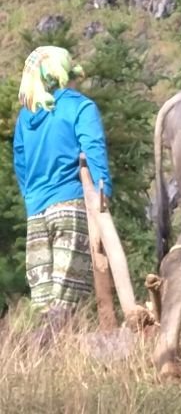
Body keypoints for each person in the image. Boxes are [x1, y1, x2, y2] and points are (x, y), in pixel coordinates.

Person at [13, 46, 112, 327]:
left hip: (36, 213)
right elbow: (93, 150)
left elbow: (20, 164)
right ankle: (49, 353)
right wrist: (104, 194)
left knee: (43, 303)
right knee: (65, 300)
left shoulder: (25, 117)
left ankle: (41, 362)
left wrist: (31, 196)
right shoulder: (80, 107)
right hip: (71, 205)